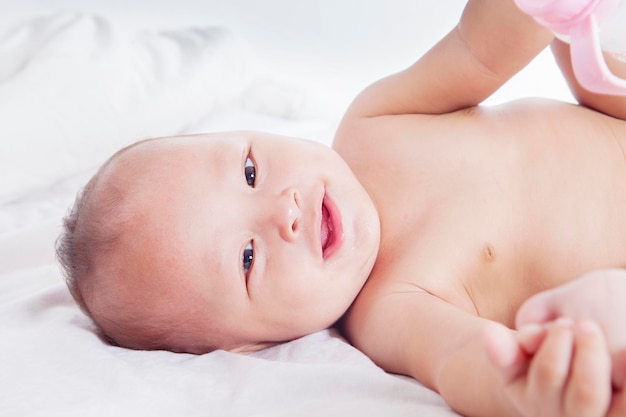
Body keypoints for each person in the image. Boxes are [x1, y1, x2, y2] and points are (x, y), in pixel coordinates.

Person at [55, 0, 626, 416]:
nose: (287, 212)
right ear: (250, 343)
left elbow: (478, 52)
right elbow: (458, 359)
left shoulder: (375, 121)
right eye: (248, 259)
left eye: (251, 171)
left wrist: (532, 11)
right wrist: (521, 385)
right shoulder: (386, 309)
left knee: (585, 56)